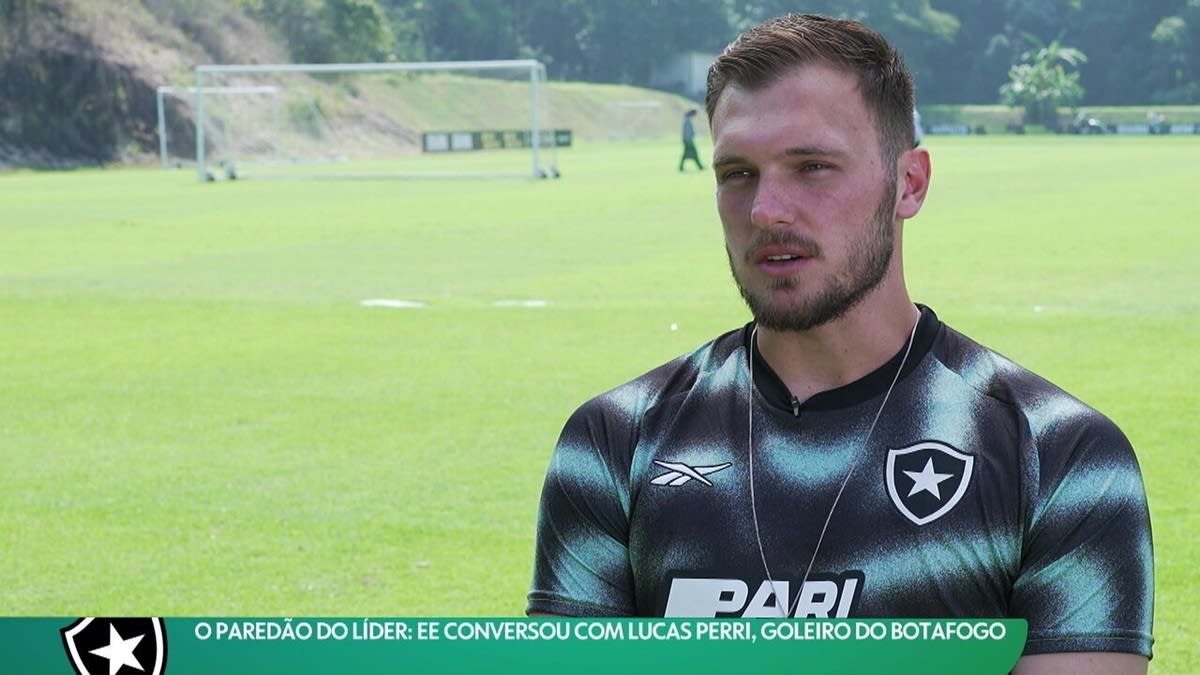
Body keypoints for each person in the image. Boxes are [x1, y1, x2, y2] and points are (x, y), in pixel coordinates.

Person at [527, 13, 1153, 674]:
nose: (766, 210)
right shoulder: (614, 443)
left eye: (813, 167)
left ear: (909, 183)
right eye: (738, 173)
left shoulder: (1059, 457)